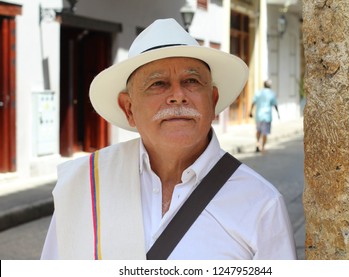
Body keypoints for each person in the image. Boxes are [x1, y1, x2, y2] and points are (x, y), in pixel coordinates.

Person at [41, 18, 296, 260]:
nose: (178, 96)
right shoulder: (83, 187)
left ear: (214, 102)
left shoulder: (261, 204)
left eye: (192, 81)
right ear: (129, 109)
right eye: (158, 84)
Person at [249, 80, 280, 153]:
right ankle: (262, 147)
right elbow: (275, 104)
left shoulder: (258, 92)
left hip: (258, 115)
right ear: (270, 86)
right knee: (265, 132)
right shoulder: (271, 94)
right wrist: (278, 113)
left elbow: (253, 102)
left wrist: (250, 111)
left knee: (258, 130)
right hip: (266, 116)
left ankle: (257, 143)